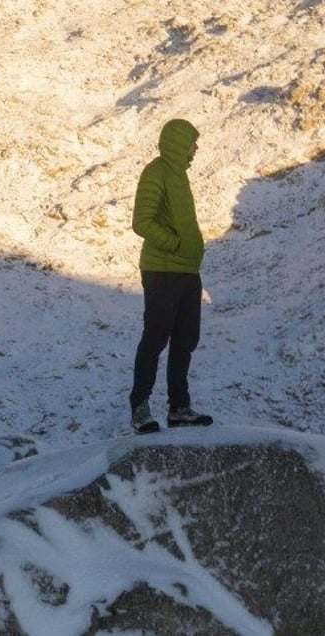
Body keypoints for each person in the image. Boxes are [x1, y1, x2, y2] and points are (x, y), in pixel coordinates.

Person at [129, 118, 213, 434]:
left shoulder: (179, 176)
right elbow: (142, 221)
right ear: (178, 143)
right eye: (192, 143)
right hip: (162, 271)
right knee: (156, 338)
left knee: (185, 339)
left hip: (187, 271)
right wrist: (175, 245)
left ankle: (179, 408)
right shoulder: (157, 172)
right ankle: (140, 408)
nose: (195, 149)